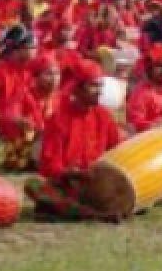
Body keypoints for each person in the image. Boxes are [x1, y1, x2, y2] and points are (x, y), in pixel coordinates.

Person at [23, 61, 123, 221]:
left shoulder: (104, 116)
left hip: (99, 184)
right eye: (93, 86)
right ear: (78, 89)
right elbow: (50, 167)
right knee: (34, 185)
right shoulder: (58, 119)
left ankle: (71, 211)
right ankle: (93, 214)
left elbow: (118, 151)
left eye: (100, 86)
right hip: (68, 185)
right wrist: (73, 173)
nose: (99, 92)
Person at [0, 55, 62, 170]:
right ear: (36, 78)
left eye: (57, 74)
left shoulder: (61, 98)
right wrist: (22, 121)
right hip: (24, 148)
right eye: (49, 74)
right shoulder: (24, 94)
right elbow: (8, 115)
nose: (54, 78)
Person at [125, 44, 162, 132]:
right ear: (150, 69)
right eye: (159, 66)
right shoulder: (141, 93)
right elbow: (134, 124)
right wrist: (156, 125)